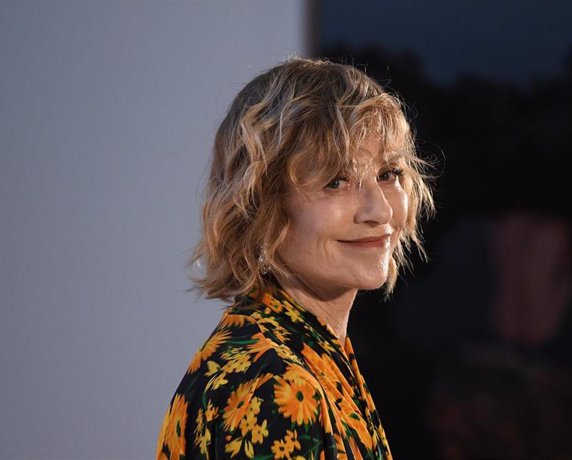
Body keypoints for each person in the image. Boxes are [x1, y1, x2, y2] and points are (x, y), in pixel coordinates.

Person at [156, 58, 434, 460]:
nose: (380, 211)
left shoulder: (305, 354)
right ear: (260, 207)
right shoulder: (273, 387)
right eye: (336, 181)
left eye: (388, 173)